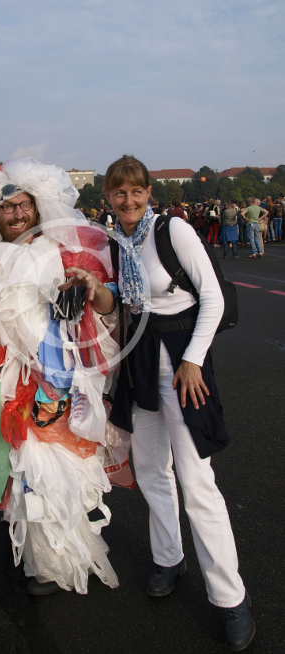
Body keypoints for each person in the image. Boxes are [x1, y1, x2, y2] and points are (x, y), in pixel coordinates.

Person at [0, 159, 126, 597]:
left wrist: (89, 288)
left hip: (58, 379)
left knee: (59, 469)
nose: (17, 214)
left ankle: (56, 561)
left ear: (38, 207)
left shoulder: (64, 251)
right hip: (11, 381)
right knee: (24, 470)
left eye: (24, 205)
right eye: (7, 207)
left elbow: (105, 305)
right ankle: (40, 558)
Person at [105, 155, 255, 652]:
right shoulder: (117, 241)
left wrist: (193, 360)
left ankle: (230, 598)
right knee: (151, 468)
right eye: (119, 192)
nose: (128, 200)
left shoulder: (173, 231)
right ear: (109, 198)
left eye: (136, 191)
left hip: (181, 357)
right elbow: (126, 298)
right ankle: (168, 557)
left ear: (149, 192)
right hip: (141, 359)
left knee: (196, 480)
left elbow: (212, 297)